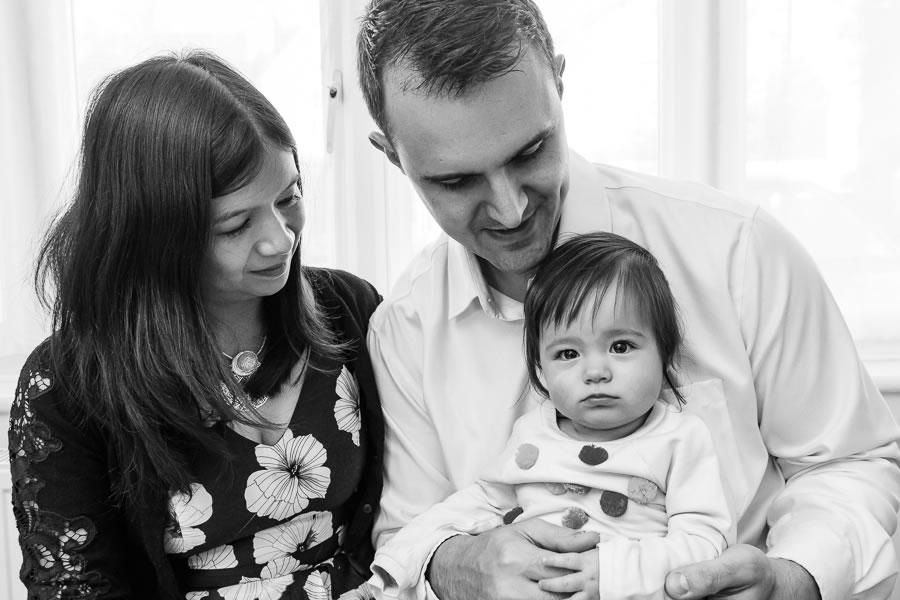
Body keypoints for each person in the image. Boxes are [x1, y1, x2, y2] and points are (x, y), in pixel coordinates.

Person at [356, 1, 900, 599]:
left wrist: (793, 579)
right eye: (455, 181)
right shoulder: (404, 329)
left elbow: (847, 464)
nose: (511, 210)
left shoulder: (737, 249)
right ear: (393, 157)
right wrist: (450, 565)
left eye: (530, 152)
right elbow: (412, 535)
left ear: (559, 84)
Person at [8, 50, 383, 599]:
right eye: (235, 225)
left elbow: (409, 510)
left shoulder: (349, 309)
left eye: (289, 198)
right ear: (156, 234)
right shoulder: (68, 386)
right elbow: (76, 587)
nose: (280, 239)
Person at [357, 232, 734, 600]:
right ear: (541, 369)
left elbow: (704, 541)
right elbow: (482, 502)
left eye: (621, 346)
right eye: (568, 354)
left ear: (665, 352)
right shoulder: (533, 434)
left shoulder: (679, 439)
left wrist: (612, 574)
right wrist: (397, 564)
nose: (595, 371)